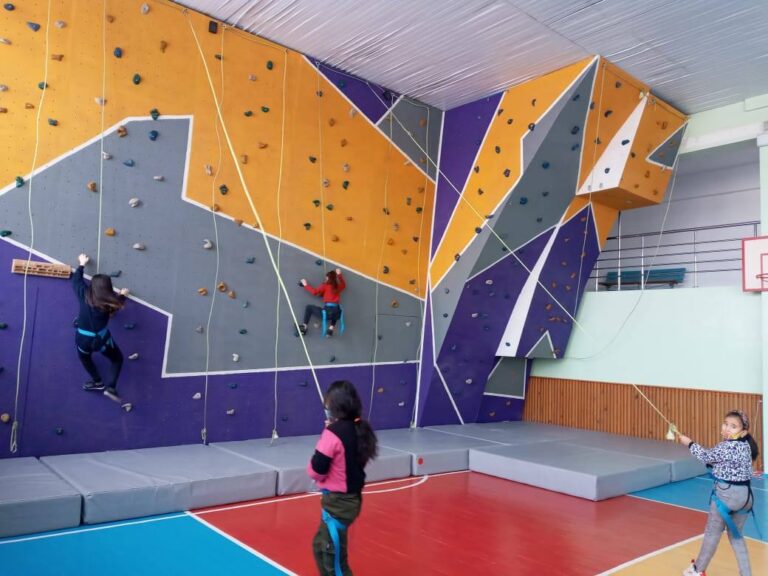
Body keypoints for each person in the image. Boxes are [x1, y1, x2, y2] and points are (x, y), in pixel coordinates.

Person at [307, 380, 377, 576]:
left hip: (339, 504)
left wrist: (328, 433)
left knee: (334, 561)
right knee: (320, 547)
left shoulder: (333, 434)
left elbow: (316, 470)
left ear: (335, 406)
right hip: (348, 500)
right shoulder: (359, 428)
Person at [678, 410, 759, 576]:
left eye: (733, 426)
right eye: (726, 424)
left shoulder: (725, 446)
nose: (727, 428)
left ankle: (697, 570)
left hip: (727, 497)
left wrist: (689, 443)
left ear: (743, 431)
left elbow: (706, 456)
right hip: (746, 498)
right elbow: (724, 464)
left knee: (712, 533)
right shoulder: (746, 446)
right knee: (736, 536)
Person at [73, 253, 131, 411]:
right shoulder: (111, 302)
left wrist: (81, 264)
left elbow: (76, 280)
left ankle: (97, 381)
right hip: (102, 339)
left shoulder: (84, 294)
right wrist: (123, 295)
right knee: (117, 359)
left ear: (92, 286)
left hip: (83, 338)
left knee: (85, 358)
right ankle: (111, 387)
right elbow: (118, 303)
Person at [299, 268, 345, 337]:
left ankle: (304, 326)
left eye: (326, 278)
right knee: (336, 310)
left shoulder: (325, 285)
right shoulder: (337, 286)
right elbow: (343, 285)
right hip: (337, 314)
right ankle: (331, 328)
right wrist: (339, 274)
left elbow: (314, 292)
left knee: (309, 307)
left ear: (328, 278)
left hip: (327, 313)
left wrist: (305, 285)